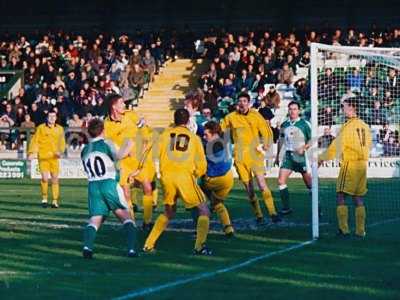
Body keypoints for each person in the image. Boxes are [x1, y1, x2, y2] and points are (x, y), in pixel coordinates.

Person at [143, 108, 212, 255]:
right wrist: (197, 174)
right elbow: (202, 165)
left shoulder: (164, 135)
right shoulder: (194, 138)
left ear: (174, 120)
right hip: (184, 177)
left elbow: (150, 151)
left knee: (168, 211)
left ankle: (148, 244)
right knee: (204, 210)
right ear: (187, 121)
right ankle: (199, 247)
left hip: (167, 177)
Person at [81, 118, 139, 259]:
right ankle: (131, 249)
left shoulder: (84, 150)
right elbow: (118, 155)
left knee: (95, 219)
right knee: (126, 217)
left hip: (93, 185)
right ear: (103, 131)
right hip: (109, 184)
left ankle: (87, 246)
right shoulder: (107, 143)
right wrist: (129, 144)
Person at [220, 92, 281, 224]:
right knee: (249, 189)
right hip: (240, 157)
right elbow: (220, 129)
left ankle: (272, 212)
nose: (242, 103)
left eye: (244, 101)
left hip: (255, 155)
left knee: (261, 183)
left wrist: (266, 144)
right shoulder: (230, 117)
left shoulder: (255, 115)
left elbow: (266, 130)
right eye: (240, 101)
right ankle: (259, 215)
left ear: (249, 103)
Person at [319, 98, 372, 237]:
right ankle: (361, 231)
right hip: (362, 165)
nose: (342, 110)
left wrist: (321, 159)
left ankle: (344, 229)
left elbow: (336, 146)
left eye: (345, 107)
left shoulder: (348, 127)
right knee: (358, 197)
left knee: (341, 195)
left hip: (350, 165)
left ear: (352, 108)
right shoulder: (364, 126)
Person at [104, 94, 157, 228]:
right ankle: (131, 224)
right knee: (126, 194)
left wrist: (145, 141)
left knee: (147, 187)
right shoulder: (106, 124)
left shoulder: (131, 115)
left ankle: (147, 221)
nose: (124, 105)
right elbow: (108, 145)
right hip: (123, 163)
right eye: (121, 103)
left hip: (138, 159)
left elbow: (145, 130)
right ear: (114, 106)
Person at [275, 102, 312, 215]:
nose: (292, 111)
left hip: (301, 157)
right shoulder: (284, 124)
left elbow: (312, 140)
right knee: (281, 181)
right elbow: (280, 140)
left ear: (299, 110)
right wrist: (277, 156)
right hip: (288, 156)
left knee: (310, 185)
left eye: (295, 109)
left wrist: (304, 148)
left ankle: (317, 207)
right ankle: (286, 208)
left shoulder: (305, 124)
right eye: (290, 109)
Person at [201, 121, 234, 236]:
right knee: (217, 203)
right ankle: (228, 227)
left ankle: (199, 224)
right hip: (229, 179)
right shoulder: (226, 137)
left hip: (214, 180)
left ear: (214, 133)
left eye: (206, 135)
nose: (204, 137)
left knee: (195, 191)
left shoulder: (210, 146)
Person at [28, 110, 66, 208]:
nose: (52, 118)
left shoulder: (60, 129)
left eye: (54, 116)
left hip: (54, 158)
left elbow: (62, 142)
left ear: (56, 118)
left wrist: (60, 151)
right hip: (43, 157)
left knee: (55, 179)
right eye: (50, 116)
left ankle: (54, 201)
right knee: (45, 178)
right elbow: (35, 140)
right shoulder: (41, 128)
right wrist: (32, 152)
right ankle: (44, 198)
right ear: (47, 117)